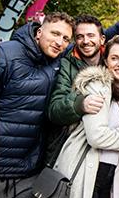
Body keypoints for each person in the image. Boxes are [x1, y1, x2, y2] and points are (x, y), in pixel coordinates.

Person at [50, 36, 119, 198]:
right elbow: (96, 136)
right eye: (114, 58)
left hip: (113, 174)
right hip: (91, 171)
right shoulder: (98, 86)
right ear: (106, 60)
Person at [0, 13, 73, 198]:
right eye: (55, 34)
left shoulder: (59, 62)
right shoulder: (5, 54)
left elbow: (92, 38)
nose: (59, 42)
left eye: (66, 39)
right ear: (39, 32)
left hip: (27, 176)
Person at [45, 15, 108, 160]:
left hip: (108, 146)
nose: (86, 41)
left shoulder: (113, 61)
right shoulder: (67, 64)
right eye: (80, 37)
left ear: (102, 39)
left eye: (91, 35)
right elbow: (54, 109)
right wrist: (80, 104)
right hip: (73, 147)